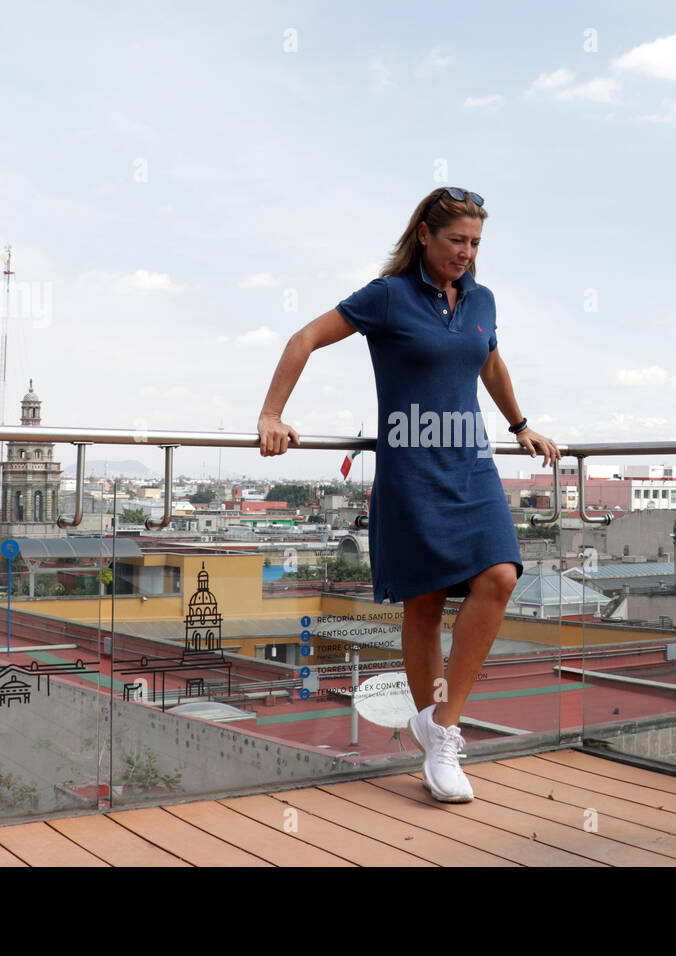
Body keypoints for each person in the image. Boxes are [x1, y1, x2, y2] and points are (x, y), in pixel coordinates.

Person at [256, 186, 560, 802]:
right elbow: (304, 338)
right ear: (424, 233)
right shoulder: (388, 296)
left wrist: (520, 424)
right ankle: (440, 742)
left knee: (499, 576)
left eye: (475, 243)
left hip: (470, 462)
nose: (466, 254)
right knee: (422, 605)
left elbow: (489, 362)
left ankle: (442, 727)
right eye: (456, 241)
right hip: (411, 466)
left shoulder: (482, 299)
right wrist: (272, 413)